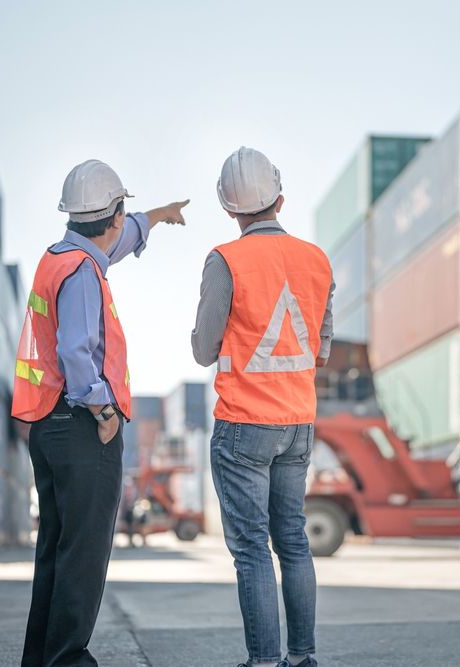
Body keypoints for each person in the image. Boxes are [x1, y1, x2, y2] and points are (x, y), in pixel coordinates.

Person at [12, 159, 188, 667]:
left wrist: (157, 216)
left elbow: (120, 237)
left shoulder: (59, 256)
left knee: (57, 552)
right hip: (83, 427)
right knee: (84, 556)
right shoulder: (84, 273)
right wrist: (104, 407)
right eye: (124, 214)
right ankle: (68, 660)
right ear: (113, 213)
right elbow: (75, 349)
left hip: (46, 425)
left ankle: (42, 660)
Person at [192, 147, 334, 667]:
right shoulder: (316, 260)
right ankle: (302, 659)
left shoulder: (225, 260)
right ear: (280, 197)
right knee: (293, 542)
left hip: (244, 426)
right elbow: (320, 347)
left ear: (230, 210)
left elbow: (204, 349)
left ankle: (264, 662)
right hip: (298, 424)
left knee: (252, 549)